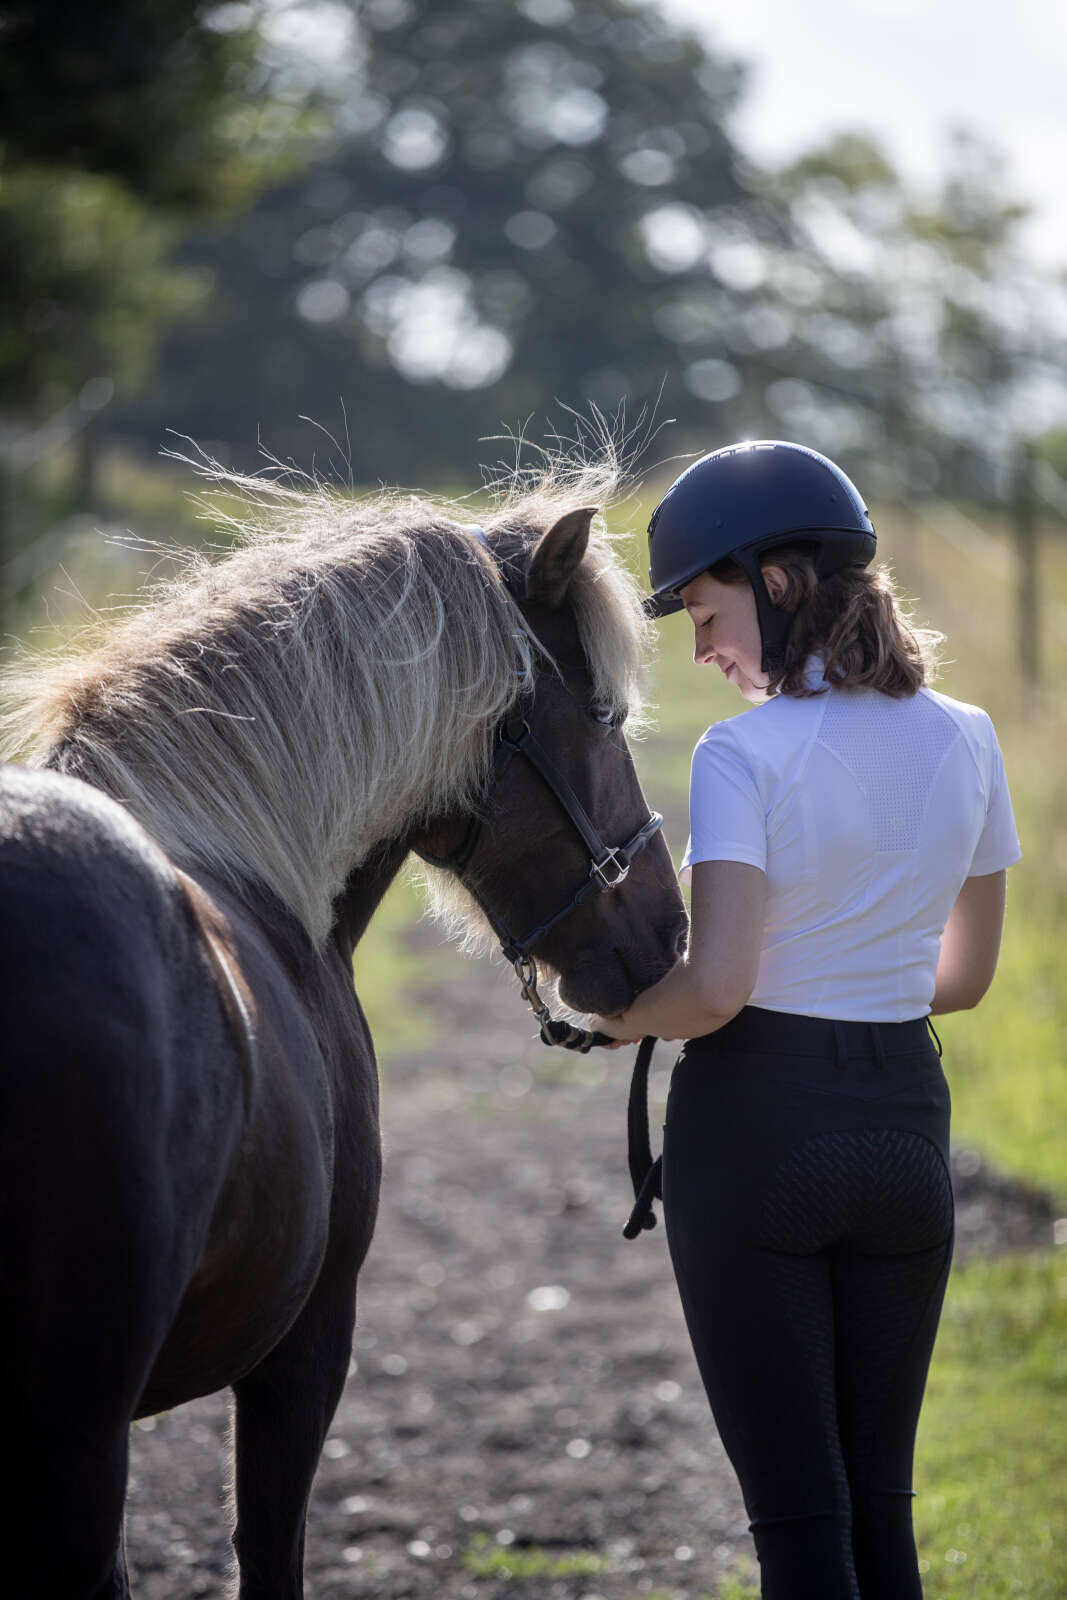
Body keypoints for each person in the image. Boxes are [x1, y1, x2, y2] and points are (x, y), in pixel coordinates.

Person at [591, 440, 1021, 1600]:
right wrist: (855, 976)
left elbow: (716, 987)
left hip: (761, 1134)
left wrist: (615, 1017)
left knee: (797, 1522)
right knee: (878, 1511)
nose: (700, 645)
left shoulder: (743, 755)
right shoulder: (970, 735)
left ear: (777, 581)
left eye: (704, 607)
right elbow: (965, 973)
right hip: (902, 1135)